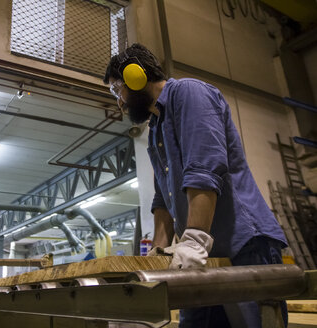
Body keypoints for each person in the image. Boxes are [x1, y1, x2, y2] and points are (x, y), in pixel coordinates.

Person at [104, 43, 288, 328]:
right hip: (201, 256)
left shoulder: (189, 93)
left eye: (118, 90)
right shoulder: (155, 129)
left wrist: (195, 239)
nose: (120, 102)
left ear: (136, 76)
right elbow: (162, 200)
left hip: (242, 246)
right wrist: (158, 255)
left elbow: (205, 167)